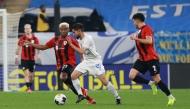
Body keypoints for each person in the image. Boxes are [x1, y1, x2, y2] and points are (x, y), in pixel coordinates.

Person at [22, 22, 96, 104]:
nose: (63, 31)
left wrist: (82, 60)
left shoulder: (71, 40)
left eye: (65, 29)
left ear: (68, 30)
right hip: (60, 66)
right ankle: (89, 98)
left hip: (69, 62)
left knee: (63, 77)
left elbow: (79, 50)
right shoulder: (55, 40)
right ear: (59, 30)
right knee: (70, 85)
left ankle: (81, 92)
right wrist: (30, 43)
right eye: (62, 29)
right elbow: (43, 47)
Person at [66, 23, 122, 105]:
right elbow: (81, 50)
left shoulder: (88, 38)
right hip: (86, 61)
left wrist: (70, 44)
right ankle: (80, 94)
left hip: (95, 61)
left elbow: (81, 50)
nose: (73, 34)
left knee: (104, 81)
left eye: (74, 32)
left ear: (79, 31)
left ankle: (117, 98)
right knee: (73, 76)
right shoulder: (78, 39)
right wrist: (82, 58)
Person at [129, 13, 176, 106]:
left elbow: (149, 41)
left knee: (157, 79)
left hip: (151, 58)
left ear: (137, 20)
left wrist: (136, 39)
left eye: (134, 21)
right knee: (132, 76)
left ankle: (171, 97)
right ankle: (151, 84)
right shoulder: (139, 31)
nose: (133, 23)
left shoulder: (146, 28)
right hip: (142, 59)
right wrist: (136, 38)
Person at [15, 24, 41, 93]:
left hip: (32, 59)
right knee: (26, 74)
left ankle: (29, 87)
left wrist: (39, 54)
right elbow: (17, 48)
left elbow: (38, 47)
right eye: (26, 29)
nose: (27, 30)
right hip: (24, 59)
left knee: (31, 76)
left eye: (28, 28)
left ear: (31, 29)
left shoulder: (35, 39)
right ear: (24, 30)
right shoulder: (22, 38)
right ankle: (28, 88)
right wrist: (16, 57)